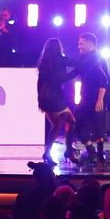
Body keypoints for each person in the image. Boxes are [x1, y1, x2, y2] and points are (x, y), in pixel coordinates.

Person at [69, 31, 109, 165]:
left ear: (90, 44)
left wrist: (100, 100)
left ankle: (100, 156)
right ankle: (91, 150)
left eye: (81, 43)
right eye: (78, 43)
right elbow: (74, 72)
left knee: (98, 128)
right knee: (75, 123)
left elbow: (103, 81)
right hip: (85, 98)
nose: (78, 46)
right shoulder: (82, 59)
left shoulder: (98, 59)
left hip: (96, 98)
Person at [38, 37, 75, 165]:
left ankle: (52, 152)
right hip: (54, 98)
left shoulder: (43, 62)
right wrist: (77, 72)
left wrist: (39, 99)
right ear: (59, 48)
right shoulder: (60, 59)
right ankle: (66, 151)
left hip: (44, 98)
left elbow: (40, 82)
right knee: (69, 121)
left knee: (58, 125)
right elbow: (62, 78)